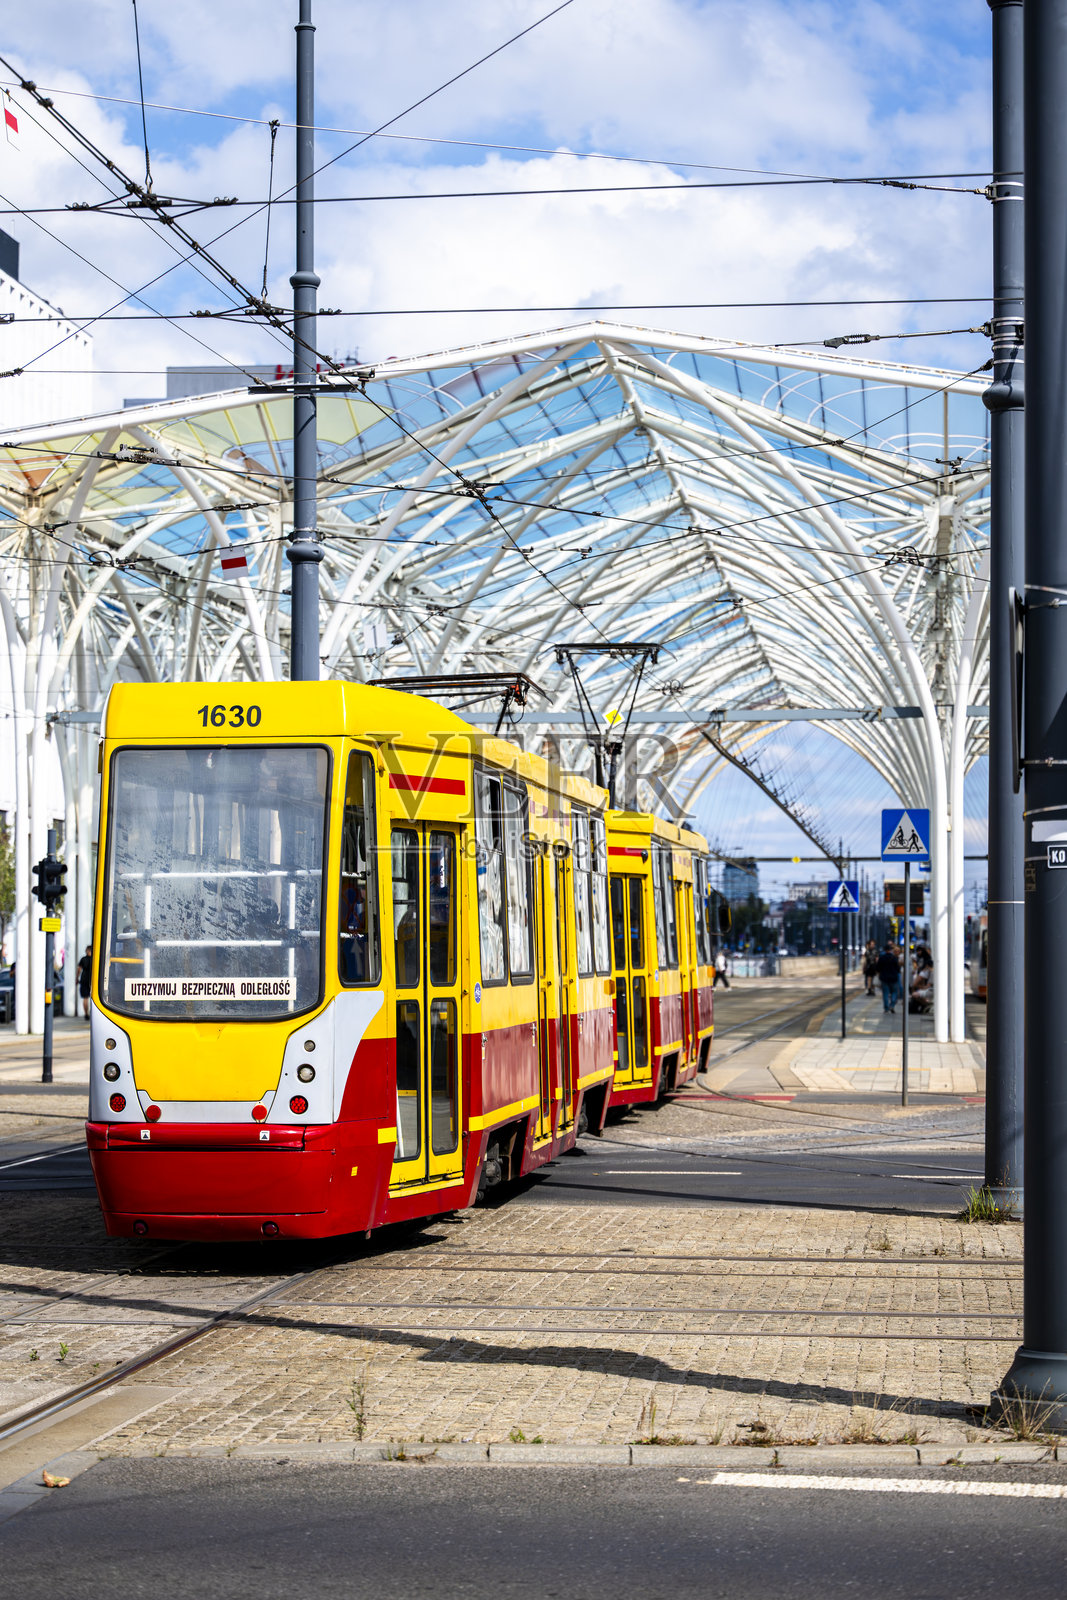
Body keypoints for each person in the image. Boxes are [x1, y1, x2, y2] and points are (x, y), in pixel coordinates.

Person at [876, 940, 902, 1014]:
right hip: (893, 978)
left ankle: (886, 1008)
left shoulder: (882, 958)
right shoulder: (894, 958)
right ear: (890, 950)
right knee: (894, 992)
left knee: (885, 993)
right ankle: (892, 1005)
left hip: (884, 978)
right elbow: (898, 969)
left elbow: (878, 968)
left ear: (884, 950)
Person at [76, 945, 92, 1019]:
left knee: (85, 998)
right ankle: (91, 1013)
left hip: (84, 979)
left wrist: (76, 978)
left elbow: (79, 969)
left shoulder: (83, 959)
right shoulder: (94, 959)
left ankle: (86, 1014)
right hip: (92, 980)